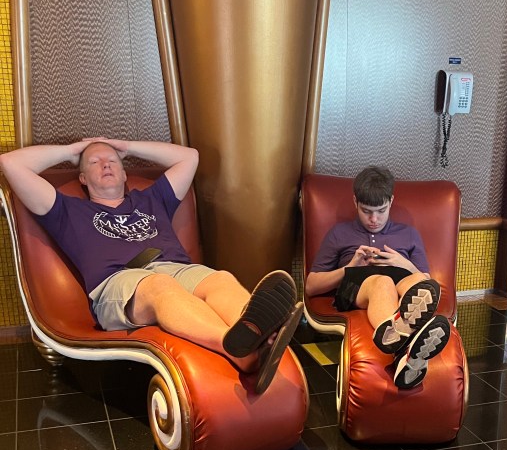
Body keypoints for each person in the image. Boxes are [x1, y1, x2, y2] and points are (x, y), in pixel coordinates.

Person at [0, 138, 299, 392]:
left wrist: (127, 147)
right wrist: (73, 151)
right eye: (94, 162)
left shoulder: (152, 199)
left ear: (124, 174)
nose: (105, 165)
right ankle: (236, 348)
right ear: (82, 179)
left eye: (112, 161)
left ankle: (255, 335)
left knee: (220, 278)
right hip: (119, 283)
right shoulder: (67, 211)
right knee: (160, 286)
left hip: (176, 268)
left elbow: (189, 157)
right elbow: (10, 163)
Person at [305, 165, 450, 390]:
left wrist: (404, 264)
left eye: (381, 211)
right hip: (359, 283)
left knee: (419, 285)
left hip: (402, 280)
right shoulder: (339, 233)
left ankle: (406, 355)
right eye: (366, 211)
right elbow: (311, 286)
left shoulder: (409, 234)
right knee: (383, 282)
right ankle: (404, 340)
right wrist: (350, 266)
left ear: (391, 201)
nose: (374, 219)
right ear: (355, 202)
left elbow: (426, 283)